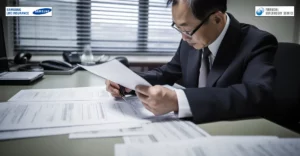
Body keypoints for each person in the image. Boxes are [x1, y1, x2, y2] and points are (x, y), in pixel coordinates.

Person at [106, 0, 278, 123]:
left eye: (187, 30)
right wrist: (127, 81)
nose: (183, 37)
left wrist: (178, 100)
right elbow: (166, 73)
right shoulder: (191, 39)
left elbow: (256, 95)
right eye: (178, 28)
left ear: (217, 19)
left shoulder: (258, 42)